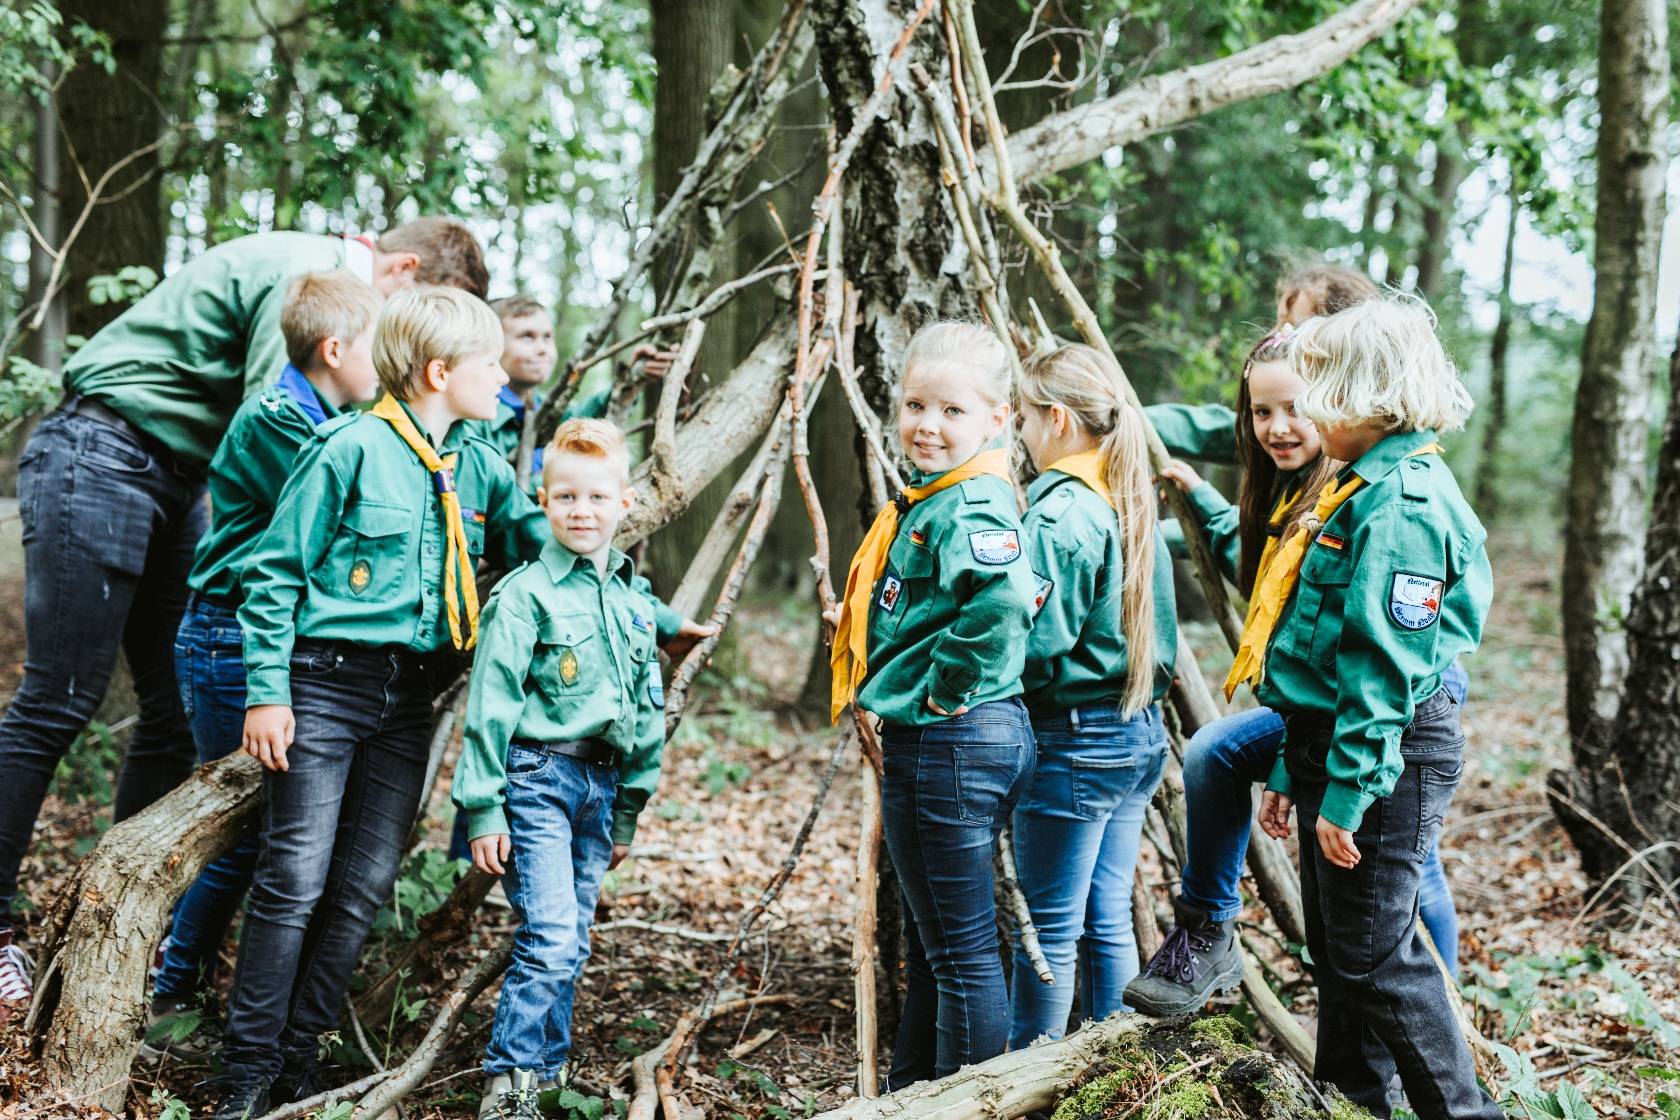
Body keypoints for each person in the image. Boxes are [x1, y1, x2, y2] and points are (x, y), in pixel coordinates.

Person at [0, 218, 488, 1008]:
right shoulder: (309, 276)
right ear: (400, 270)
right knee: (58, 699)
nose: (413, 343)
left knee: (167, 721)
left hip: (176, 472)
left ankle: (113, 933)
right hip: (103, 447)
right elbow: (303, 447)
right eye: (417, 313)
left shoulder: (336, 289)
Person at [211, 286, 550, 1118]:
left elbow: (535, 540)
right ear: (438, 372)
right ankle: (245, 1073)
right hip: (325, 684)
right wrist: (267, 693)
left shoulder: (477, 463)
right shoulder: (348, 448)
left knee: (362, 883)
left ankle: (299, 1060)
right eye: (487, 363)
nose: (501, 376)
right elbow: (274, 574)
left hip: (409, 701)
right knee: (294, 877)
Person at [1254, 295, 1496, 1119]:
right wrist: (1289, 765)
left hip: (1384, 754)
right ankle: (1353, 1103)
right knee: (1338, 954)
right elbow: (1318, 654)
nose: (1304, 407)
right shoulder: (1358, 488)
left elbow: (1383, 670)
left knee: (1376, 957)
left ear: (1365, 395)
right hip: (1330, 743)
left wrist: (1350, 790)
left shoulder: (1404, 504)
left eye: (1318, 387)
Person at [144, 270, 385, 1060]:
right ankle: (170, 995)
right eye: (377, 346)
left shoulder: (329, 416)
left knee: (259, 831)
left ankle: (194, 984)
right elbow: (347, 514)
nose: (386, 362)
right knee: (240, 830)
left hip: (259, 636)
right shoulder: (279, 420)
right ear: (335, 349)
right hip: (229, 634)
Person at [826, 322, 1035, 1089]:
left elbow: (1003, 602)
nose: (927, 425)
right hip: (964, 741)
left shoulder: (969, 502)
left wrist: (940, 689)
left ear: (997, 420)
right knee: (937, 944)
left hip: (952, 741)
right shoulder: (935, 498)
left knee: (960, 952)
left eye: (952, 410)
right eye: (916, 405)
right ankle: (912, 1095)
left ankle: (970, 1102)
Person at [451, 419, 667, 1120]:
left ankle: (548, 1074)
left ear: (624, 503)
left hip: (600, 789)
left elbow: (646, 713)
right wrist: (483, 807)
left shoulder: (634, 603)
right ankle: (508, 1085)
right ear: (543, 502)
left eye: (597, 497)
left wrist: (627, 810)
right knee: (549, 937)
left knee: (571, 942)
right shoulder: (523, 596)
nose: (582, 511)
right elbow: (489, 708)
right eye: (566, 497)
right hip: (536, 780)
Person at [1008, 345, 1177, 1047]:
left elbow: (1034, 641)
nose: (1019, 434)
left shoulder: (1063, 515)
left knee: (1047, 931)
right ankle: (1115, 1068)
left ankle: (1019, 1075)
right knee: (1105, 917)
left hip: (1076, 742)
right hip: (1137, 734)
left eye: (1023, 418)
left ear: (1057, 419)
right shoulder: (1125, 495)